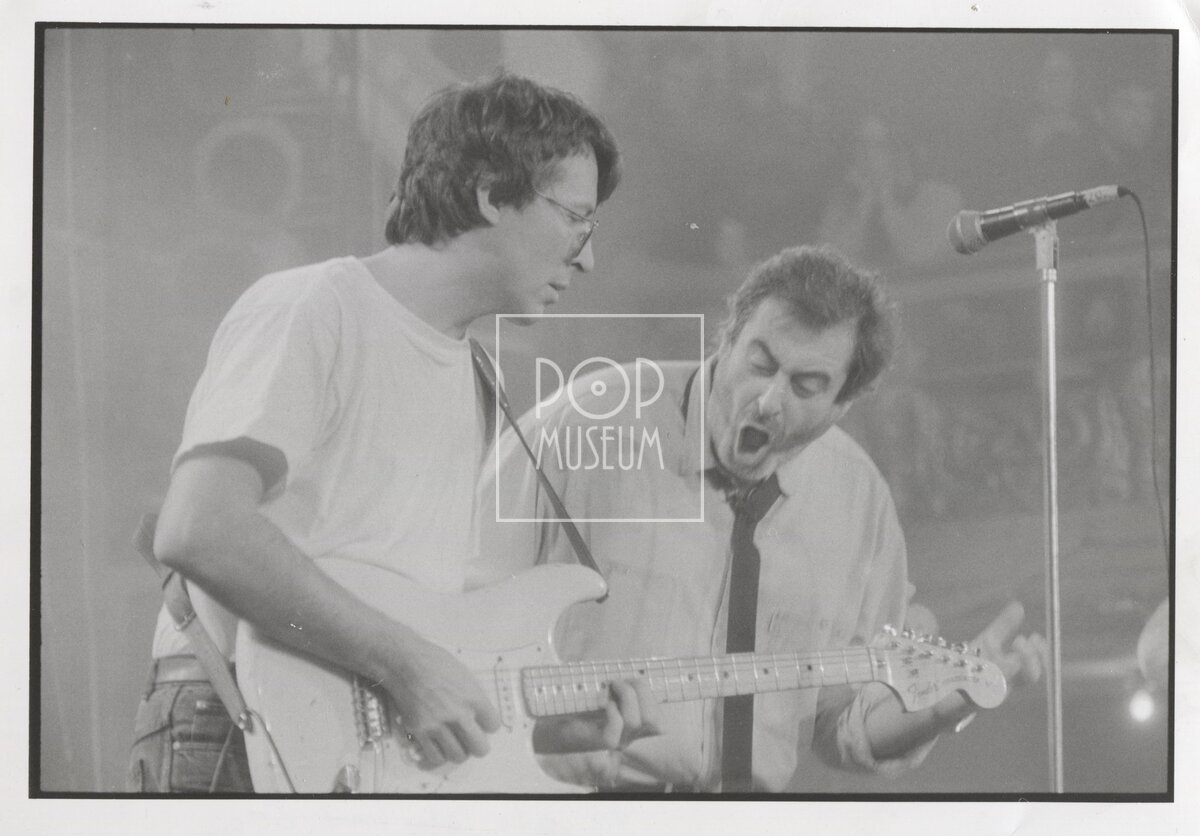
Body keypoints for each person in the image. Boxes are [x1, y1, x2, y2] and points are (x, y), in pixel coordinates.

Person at [127, 72, 654, 793]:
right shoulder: (316, 306)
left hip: (357, 757)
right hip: (236, 730)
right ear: (491, 194)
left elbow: (426, 632)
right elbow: (198, 530)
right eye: (576, 220)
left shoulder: (476, 374)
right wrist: (405, 666)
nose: (587, 257)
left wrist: (538, 726)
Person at [474, 244, 1049, 792]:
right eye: (760, 363)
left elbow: (846, 726)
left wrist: (947, 707)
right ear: (726, 339)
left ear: (843, 404)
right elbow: (460, 625)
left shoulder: (859, 501)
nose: (770, 400)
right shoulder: (580, 427)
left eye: (806, 385)